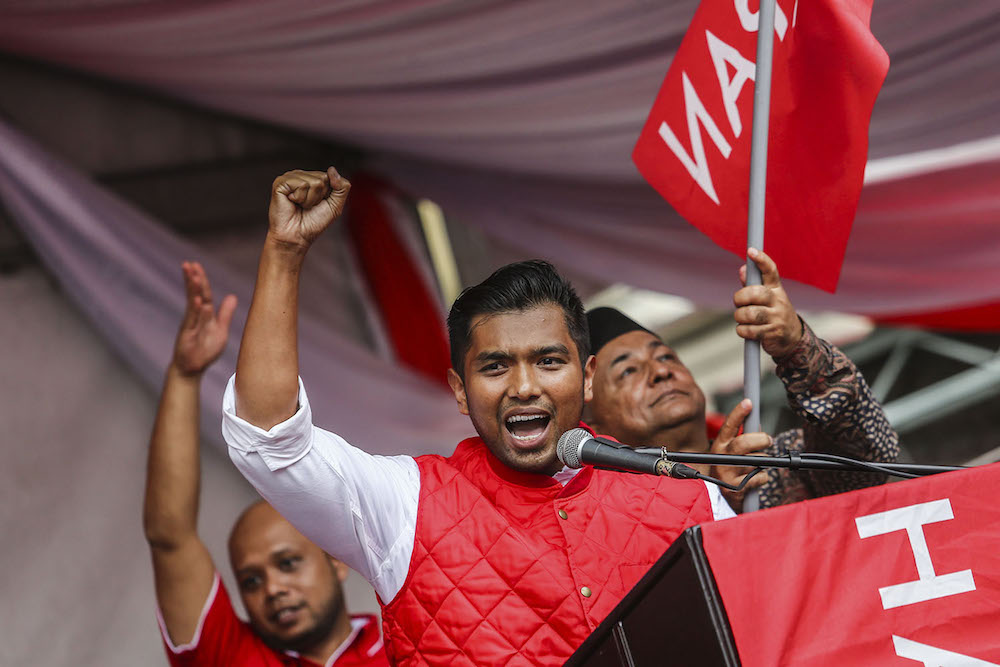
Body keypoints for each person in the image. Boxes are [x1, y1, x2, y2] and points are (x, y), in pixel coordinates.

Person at [222, 167, 736, 667]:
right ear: (460, 391)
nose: (525, 386)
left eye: (549, 361)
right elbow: (269, 440)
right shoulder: (405, 506)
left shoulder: (692, 497)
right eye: (495, 367)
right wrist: (285, 253)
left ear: (587, 377)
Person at [143, 261, 388, 666]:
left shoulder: (406, 643)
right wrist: (186, 377)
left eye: (288, 563)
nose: (273, 589)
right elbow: (170, 535)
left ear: (337, 560)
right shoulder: (230, 656)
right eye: (251, 581)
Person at [585, 248, 900, 511]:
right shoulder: (604, 519)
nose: (661, 371)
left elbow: (869, 457)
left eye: (666, 356)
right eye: (628, 370)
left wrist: (798, 348)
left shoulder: (768, 464)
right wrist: (715, 496)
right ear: (590, 423)